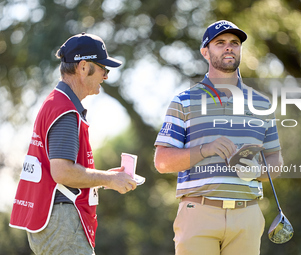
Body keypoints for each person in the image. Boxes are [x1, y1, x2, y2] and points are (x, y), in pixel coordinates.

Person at [154, 20, 283, 255]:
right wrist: (205, 149)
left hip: (247, 215)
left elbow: (275, 161)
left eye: (234, 43)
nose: (228, 47)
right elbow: (162, 161)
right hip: (199, 213)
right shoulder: (184, 100)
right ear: (205, 51)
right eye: (220, 43)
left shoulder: (262, 104)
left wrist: (257, 171)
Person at [10, 33, 137, 255]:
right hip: (63, 223)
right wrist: (109, 178)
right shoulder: (66, 110)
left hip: (51, 221)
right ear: (83, 67)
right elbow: (62, 172)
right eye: (103, 69)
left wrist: (108, 179)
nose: (106, 76)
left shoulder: (56, 103)